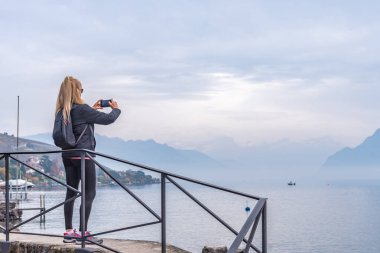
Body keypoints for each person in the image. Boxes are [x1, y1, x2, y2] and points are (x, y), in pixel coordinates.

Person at [55, 76, 121, 244]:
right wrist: (115, 108)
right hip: (84, 156)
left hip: (67, 156)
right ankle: (83, 233)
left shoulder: (62, 110)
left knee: (71, 193)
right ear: (77, 91)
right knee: (89, 193)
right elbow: (108, 119)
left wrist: (92, 108)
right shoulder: (82, 109)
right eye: (81, 90)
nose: (82, 92)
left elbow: (79, 123)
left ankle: (69, 233)